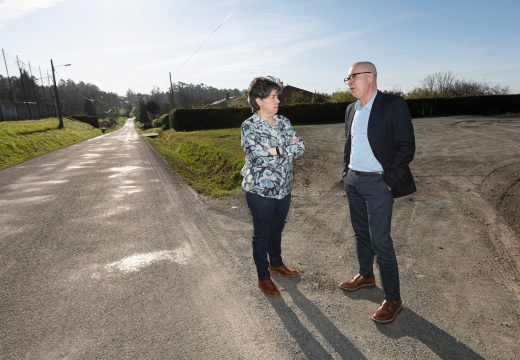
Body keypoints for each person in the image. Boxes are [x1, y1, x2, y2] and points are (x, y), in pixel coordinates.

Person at [340, 61, 416, 323]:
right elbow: (350, 144)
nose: (348, 81)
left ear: (370, 77)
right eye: (347, 78)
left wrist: (388, 181)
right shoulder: (351, 109)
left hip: (378, 183)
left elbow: (406, 147)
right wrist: (345, 173)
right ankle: (366, 275)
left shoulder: (393, 105)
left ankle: (393, 299)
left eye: (353, 76)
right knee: (361, 232)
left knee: (380, 240)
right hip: (353, 181)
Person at [240, 76, 305, 297]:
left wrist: (276, 149)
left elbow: (301, 146)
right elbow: (258, 157)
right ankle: (263, 277)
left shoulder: (284, 122)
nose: (278, 101)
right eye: (273, 97)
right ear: (259, 101)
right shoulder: (249, 126)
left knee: (277, 228)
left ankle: (276, 264)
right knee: (262, 232)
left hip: (284, 187)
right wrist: (287, 148)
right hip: (259, 190)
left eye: (278, 96)